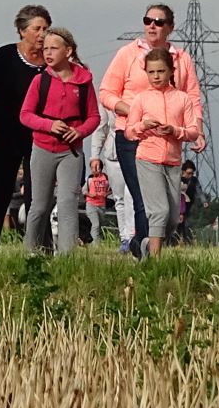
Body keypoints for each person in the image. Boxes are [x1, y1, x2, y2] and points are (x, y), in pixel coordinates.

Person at [100, 3, 206, 259]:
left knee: (169, 210)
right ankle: (147, 257)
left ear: (170, 27)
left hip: (169, 141)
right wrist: (133, 110)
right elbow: (106, 93)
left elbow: (192, 97)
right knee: (143, 199)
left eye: (159, 22)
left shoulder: (182, 59)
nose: (152, 26)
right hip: (133, 135)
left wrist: (197, 130)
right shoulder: (128, 54)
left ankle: (145, 244)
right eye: (148, 20)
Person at [19, 27, 100, 256]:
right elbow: (25, 115)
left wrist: (80, 131)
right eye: (45, 48)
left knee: (67, 202)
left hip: (71, 151)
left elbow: (94, 117)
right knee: (40, 205)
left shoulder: (84, 82)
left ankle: (66, 257)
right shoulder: (39, 81)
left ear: (69, 51)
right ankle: (30, 253)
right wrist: (49, 125)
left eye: (54, 48)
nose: (48, 53)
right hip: (42, 147)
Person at [0, 5, 50, 247]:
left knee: (37, 197)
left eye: (45, 29)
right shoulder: (5, 57)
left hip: (40, 136)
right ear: (22, 31)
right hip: (5, 134)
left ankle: (41, 248)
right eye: (37, 28)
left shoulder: (51, 62)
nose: (42, 34)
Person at [125, 48, 201, 259]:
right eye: (151, 72)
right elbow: (129, 132)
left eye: (160, 71)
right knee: (159, 211)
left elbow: (193, 131)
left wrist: (175, 131)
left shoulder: (183, 99)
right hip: (147, 159)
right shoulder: (141, 99)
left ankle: (149, 244)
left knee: (173, 217)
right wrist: (143, 125)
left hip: (173, 162)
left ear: (170, 71)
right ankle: (155, 263)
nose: (156, 76)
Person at [85, 103, 135, 252]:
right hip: (113, 154)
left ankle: (134, 235)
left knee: (131, 195)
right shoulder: (107, 98)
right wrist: (94, 155)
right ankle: (125, 238)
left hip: (135, 150)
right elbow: (101, 127)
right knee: (119, 198)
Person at [84, 158, 112, 245]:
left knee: (99, 225)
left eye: (96, 167)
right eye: (92, 168)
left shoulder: (106, 178)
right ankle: (95, 245)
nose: (94, 170)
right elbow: (83, 191)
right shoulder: (89, 179)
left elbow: (112, 189)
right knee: (95, 224)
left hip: (102, 205)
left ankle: (95, 242)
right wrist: (90, 195)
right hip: (91, 204)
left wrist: (107, 193)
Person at [177, 160, 200, 246]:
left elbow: (199, 190)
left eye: (192, 173)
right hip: (178, 206)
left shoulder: (193, 181)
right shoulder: (178, 180)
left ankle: (186, 241)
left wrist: (204, 201)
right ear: (183, 171)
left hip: (187, 206)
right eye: (188, 173)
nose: (190, 175)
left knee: (185, 225)